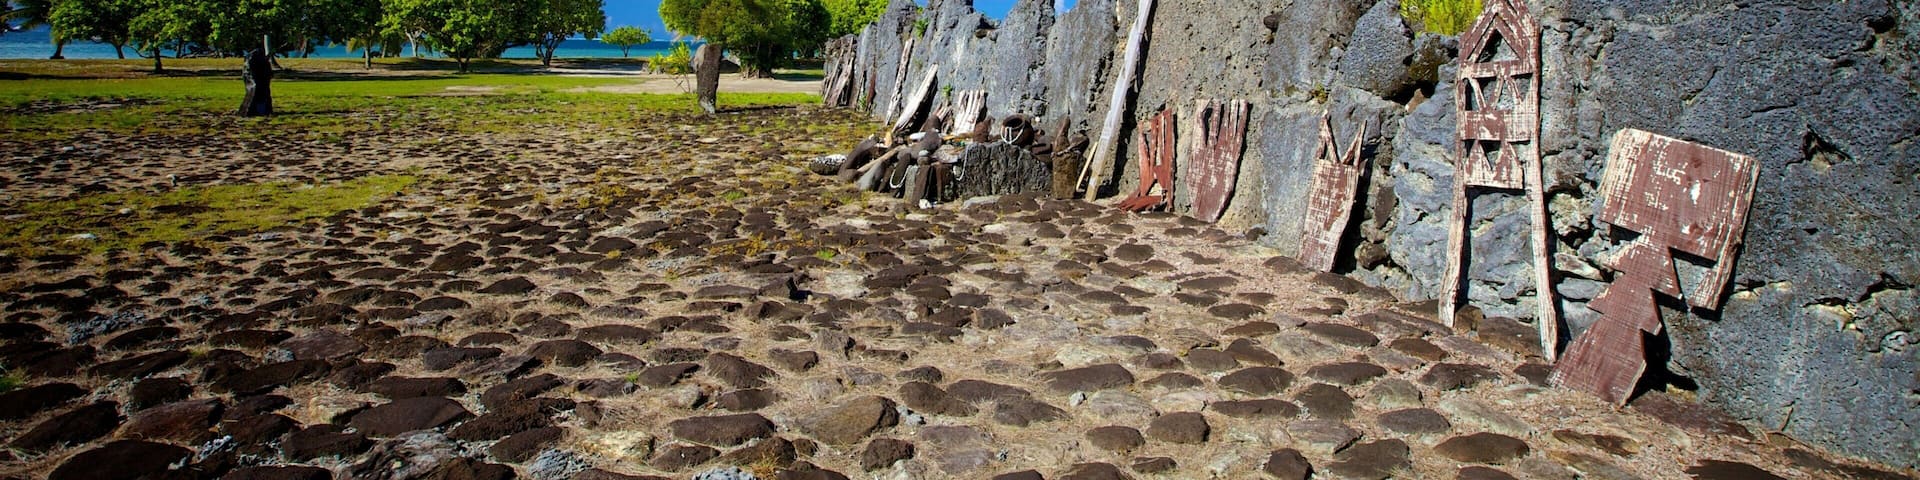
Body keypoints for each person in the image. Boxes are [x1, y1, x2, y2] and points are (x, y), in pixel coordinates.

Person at [239, 48, 275, 117]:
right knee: (256, 92)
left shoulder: (260, 61)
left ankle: (261, 110)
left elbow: (268, 72)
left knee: (261, 94)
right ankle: (258, 111)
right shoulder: (253, 60)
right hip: (256, 80)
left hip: (260, 81)